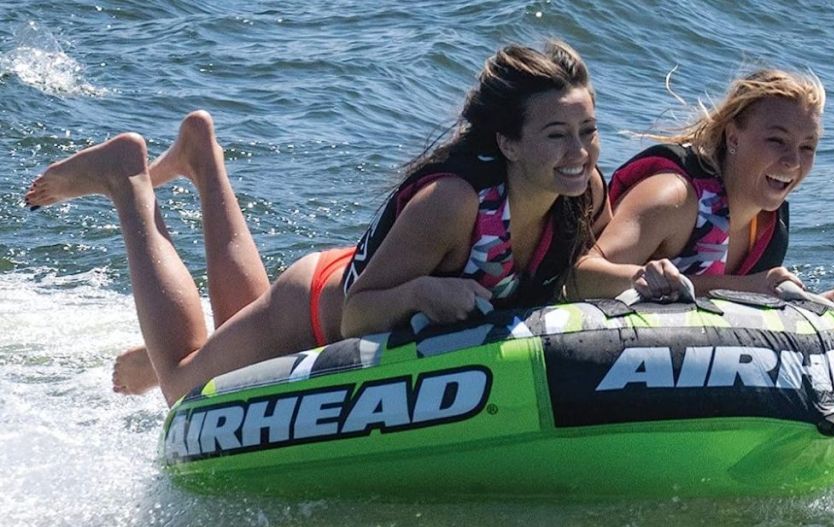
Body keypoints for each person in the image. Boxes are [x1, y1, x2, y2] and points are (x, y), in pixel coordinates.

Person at [24, 40, 610, 406]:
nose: (579, 152)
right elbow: (360, 311)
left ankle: (202, 158)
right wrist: (426, 291)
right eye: (556, 135)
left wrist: (647, 273)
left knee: (232, 325)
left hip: (336, 283)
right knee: (183, 387)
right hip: (312, 310)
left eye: (587, 132)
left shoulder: (584, 194)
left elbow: (579, 272)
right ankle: (126, 178)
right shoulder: (454, 203)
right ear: (507, 142)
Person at [571, 68, 834, 307]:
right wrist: (641, 277)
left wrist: (806, 306)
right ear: (733, 138)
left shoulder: (769, 227)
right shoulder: (675, 198)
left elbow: (742, 299)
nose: (793, 161)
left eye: (807, 147)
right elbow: (576, 280)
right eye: (776, 140)